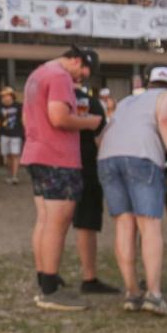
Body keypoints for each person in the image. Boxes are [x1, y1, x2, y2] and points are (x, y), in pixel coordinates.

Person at [22, 46, 104, 311]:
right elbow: (59, 117)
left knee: (45, 220)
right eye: (82, 72)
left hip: (36, 152)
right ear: (76, 60)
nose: (80, 80)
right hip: (57, 157)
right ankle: (50, 290)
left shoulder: (38, 74)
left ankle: (45, 275)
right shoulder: (59, 77)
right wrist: (91, 122)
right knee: (57, 223)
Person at [97, 67, 167, 315]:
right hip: (142, 157)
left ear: (150, 82)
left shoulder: (126, 101)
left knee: (124, 224)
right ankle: (154, 295)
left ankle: (132, 292)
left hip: (108, 157)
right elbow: (165, 119)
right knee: (150, 226)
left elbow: (103, 136)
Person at [72, 83, 120, 296]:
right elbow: (101, 139)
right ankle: (89, 276)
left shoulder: (48, 100)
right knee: (86, 222)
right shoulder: (89, 103)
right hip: (86, 165)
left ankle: (47, 272)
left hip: (53, 164)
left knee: (50, 221)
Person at [0, 86, 24, 184]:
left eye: (5, 96)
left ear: (11, 96)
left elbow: (23, 119)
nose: (3, 98)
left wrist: (27, 130)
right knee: (7, 156)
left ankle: (14, 176)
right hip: (4, 134)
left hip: (16, 134)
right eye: (2, 96)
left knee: (15, 155)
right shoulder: (1, 107)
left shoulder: (19, 106)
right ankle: (11, 175)